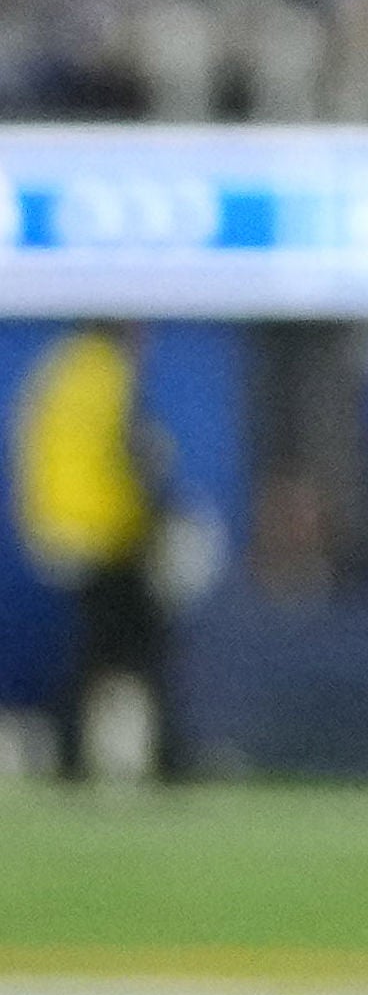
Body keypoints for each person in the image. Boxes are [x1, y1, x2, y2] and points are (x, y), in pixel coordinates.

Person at [16, 324, 163, 792]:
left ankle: (74, 753)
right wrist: (156, 519)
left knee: (93, 648)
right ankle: (148, 753)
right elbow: (132, 453)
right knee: (124, 649)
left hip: (61, 526)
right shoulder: (109, 372)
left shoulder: (62, 367)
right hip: (106, 529)